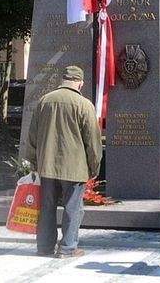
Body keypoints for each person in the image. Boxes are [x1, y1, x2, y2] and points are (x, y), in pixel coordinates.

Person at [25, 66, 102, 258]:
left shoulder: (44, 101)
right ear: (80, 84)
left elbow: (32, 136)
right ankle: (67, 248)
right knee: (73, 208)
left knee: (47, 207)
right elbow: (93, 141)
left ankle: (44, 247)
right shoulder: (84, 105)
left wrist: (34, 162)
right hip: (74, 168)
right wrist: (94, 167)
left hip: (47, 166)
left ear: (63, 80)